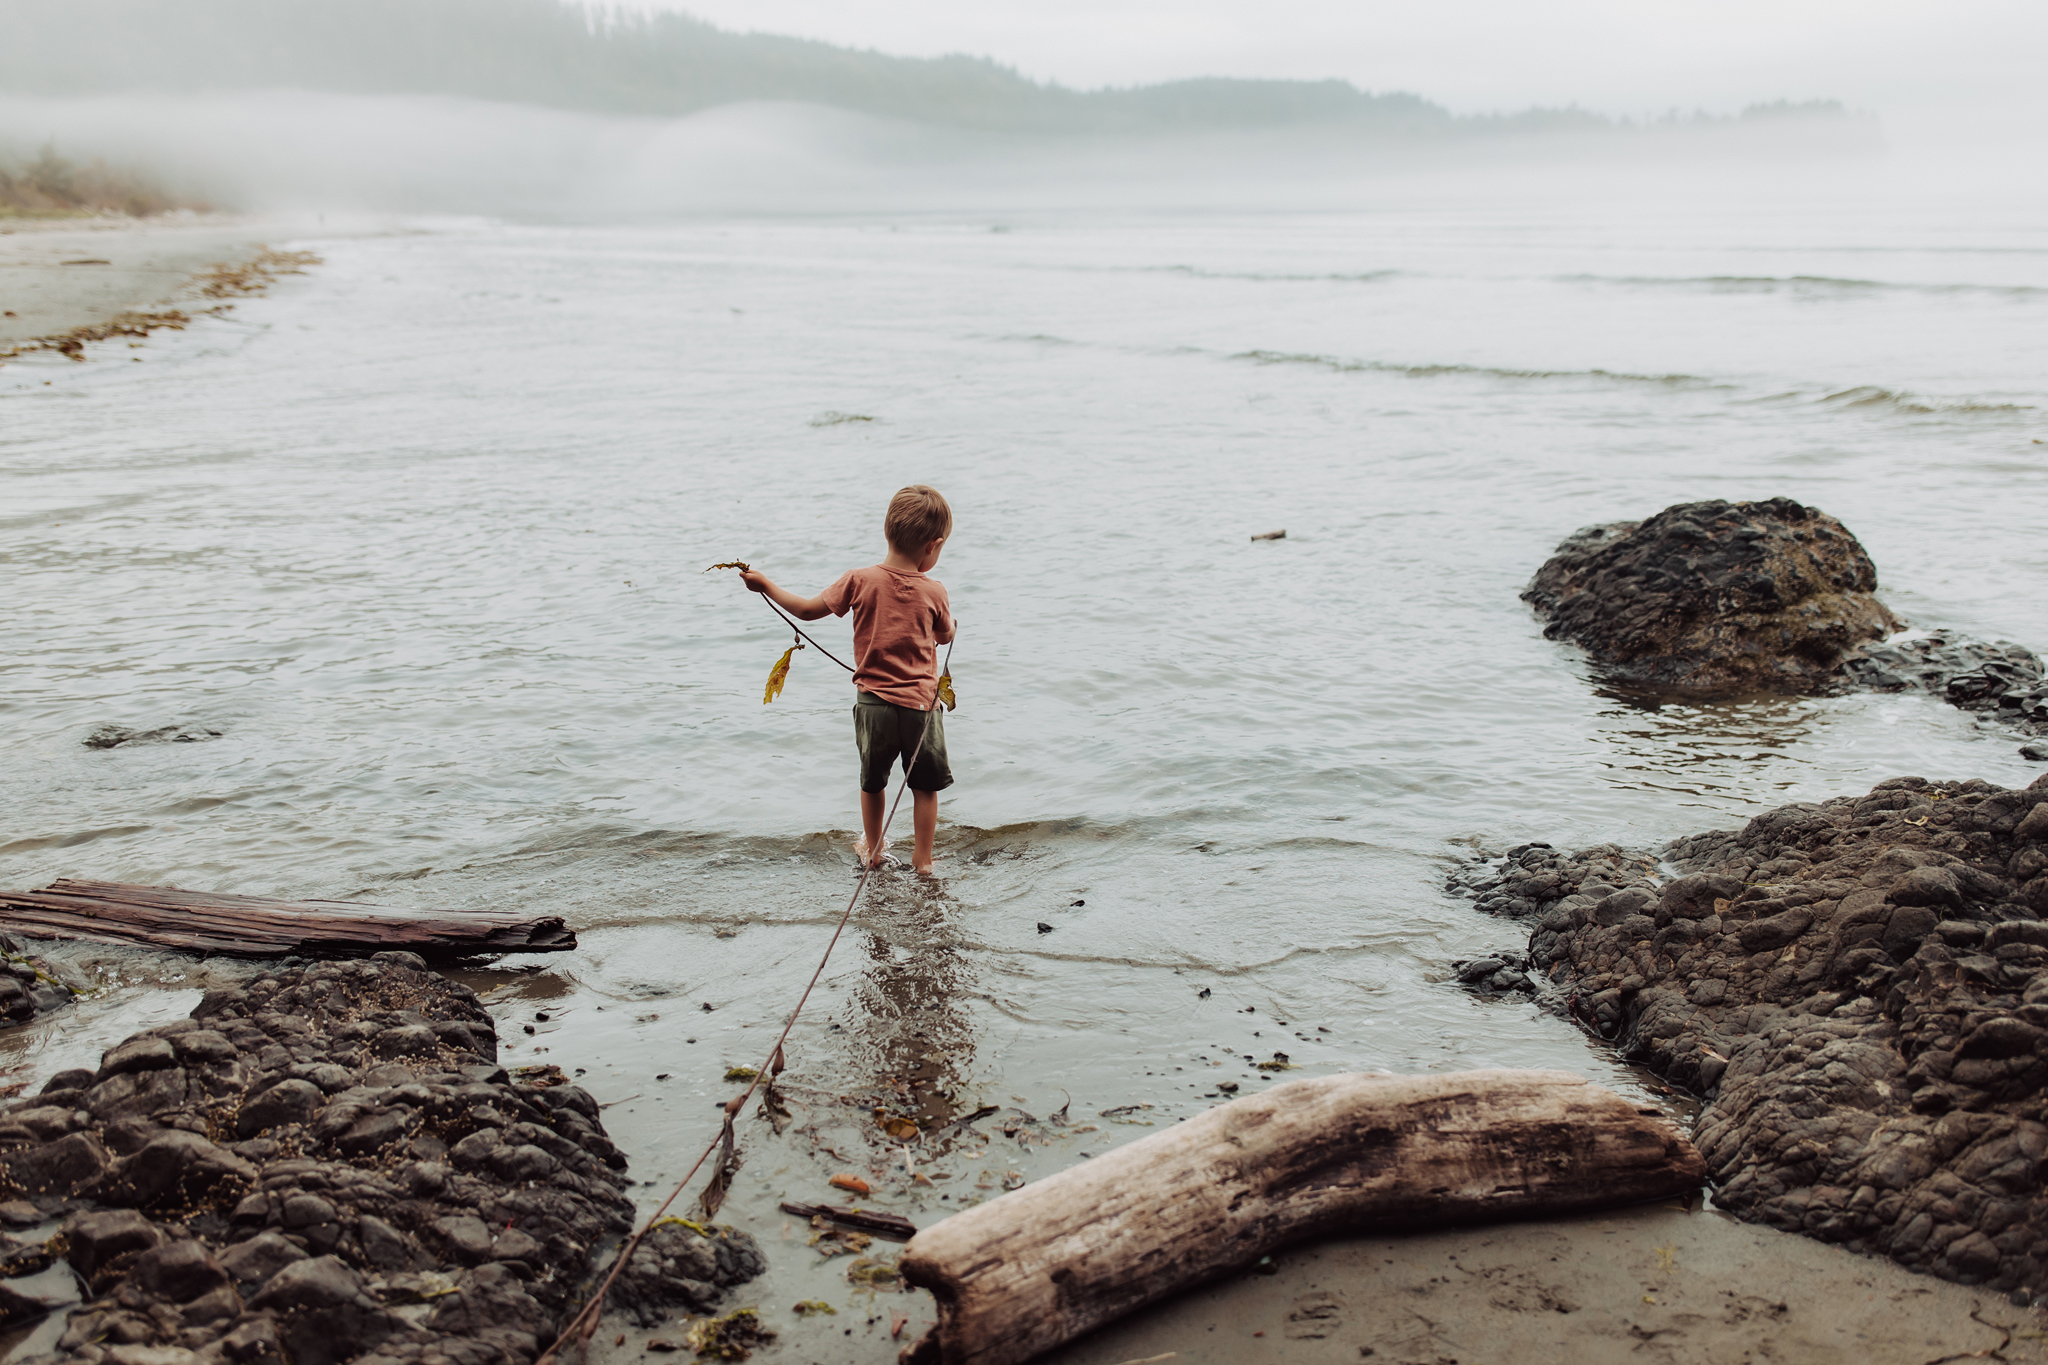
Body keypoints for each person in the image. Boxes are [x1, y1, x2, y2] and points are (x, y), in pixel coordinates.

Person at [739, 485, 956, 874]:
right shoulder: (934, 591)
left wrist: (766, 586)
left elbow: (806, 611)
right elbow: (945, 635)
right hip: (921, 709)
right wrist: (951, 625)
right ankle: (922, 862)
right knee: (925, 787)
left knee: (873, 782)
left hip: (873, 706)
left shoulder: (859, 579)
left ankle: (873, 852)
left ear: (887, 531)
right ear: (933, 546)